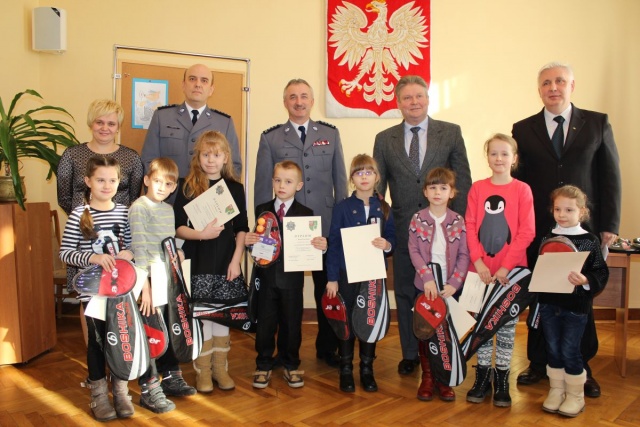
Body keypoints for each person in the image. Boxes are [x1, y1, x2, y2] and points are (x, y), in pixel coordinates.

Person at [512, 62, 621, 397]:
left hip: (583, 230)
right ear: (539, 89)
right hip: (540, 230)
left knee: (580, 296)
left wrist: (609, 225)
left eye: (560, 81)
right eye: (546, 82)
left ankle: (581, 367)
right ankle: (538, 362)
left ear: (572, 85)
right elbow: (517, 185)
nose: (553, 87)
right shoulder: (523, 129)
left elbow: (610, 176)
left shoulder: (597, 123)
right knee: (540, 295)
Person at [373, 75, 472, 375]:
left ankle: (445, 350)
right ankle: (410, 354)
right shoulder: (384, 139)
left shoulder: (451, 133)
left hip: (444, 233)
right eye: (407, 97)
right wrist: (377, 229)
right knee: (406, 293)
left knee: (444, 292)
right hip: (406, 232)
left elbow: (463, 181)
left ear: (428, 100)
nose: (413, 102)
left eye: (419, 96)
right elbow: (378, 190)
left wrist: (458, 228)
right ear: (398, 103)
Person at [254, 78, 348, 367]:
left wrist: (341, 225)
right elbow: (262, 187)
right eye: (293, 96)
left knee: (327, 289)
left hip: (323, 226)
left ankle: (327, 347)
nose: (299, 101)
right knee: (281, 292)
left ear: (312, 101)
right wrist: (262, 229)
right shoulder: (271, 138)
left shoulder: (330, 134)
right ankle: (279, 351)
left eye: (304, 96)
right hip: (284, 230)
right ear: (285, 102)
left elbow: (340, 181)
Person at [59, 156, 136, 421]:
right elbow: (65, 253)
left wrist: (130, 252)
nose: (106, 185)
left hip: (121, 291)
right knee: (97, 341)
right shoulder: (78, 215)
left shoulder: (125, 212)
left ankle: (121, 390)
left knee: (121, 339)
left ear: (119, 182)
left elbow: (134, 245)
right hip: (92, 292)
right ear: (88, 181)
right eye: (100, 180)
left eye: (112, 180)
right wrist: (93, 257)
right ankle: (99, 394)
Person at [173, 130, 249, 393]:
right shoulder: (187, 186)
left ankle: (220, 369)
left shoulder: (235, 189)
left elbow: (242, 228)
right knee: (204, 316)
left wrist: (236, 260)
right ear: (198, 157)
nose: (211, 160)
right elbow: (178, 227)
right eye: (205, 154)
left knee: (222, 316)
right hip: (198, 260)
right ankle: (203, 372)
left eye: (216, 155)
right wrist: (201, 234)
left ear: (225, 157)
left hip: (226, 261)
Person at [464, 133, 535, 407]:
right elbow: (471, 226)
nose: (499, 158)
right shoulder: (477, 188)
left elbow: (527, 232)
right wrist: (478, 261)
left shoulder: (522, 190)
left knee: (505, 327)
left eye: (505, 153)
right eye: (493, 153)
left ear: (514, 158)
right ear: (487, 157)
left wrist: (506, 267)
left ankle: (502, 378)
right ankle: (482, 376)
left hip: (511, 274)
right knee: (482, 325)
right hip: (479, 272)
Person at [245, 161, 327, 389]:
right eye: (278, 180)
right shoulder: (262, 209)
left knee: (291, 324)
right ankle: (263, 364)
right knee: (265, 323)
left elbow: (311, 247)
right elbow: (258, 240)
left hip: (292, 281)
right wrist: (250, 242)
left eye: (288, 181)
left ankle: (291, 363)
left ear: (298, 185)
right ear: (272, 182)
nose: (282, 185)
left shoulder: (306, 214)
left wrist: (321, 246)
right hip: (266, 278)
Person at [325, 154, 396, 393]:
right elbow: (334, 244)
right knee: (346, 320)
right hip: (347, 275)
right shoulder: (342, 208)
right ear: (352, 178)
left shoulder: (384, 208)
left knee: (369, 320)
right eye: (358, 173)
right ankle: (346, 369)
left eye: (369, 172)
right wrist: (332, 278)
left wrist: (387, 245)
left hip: (373, 276)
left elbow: (393, 238)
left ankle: (367, 369)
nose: (364, 177)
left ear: (377, 177)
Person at [539, 185, 609, 417]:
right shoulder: (548, 236)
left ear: (582, 211)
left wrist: (586, 280)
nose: (562, 214)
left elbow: (600, 271)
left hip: (576, 307)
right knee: (552, 348)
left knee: (570, 349)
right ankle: (556, 390)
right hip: (549, 304)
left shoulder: (589, 240)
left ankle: (575, 395)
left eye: (569, 210)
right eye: (557, 209)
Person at [408, 167, 470, 402]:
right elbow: (414, 250)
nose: (437, 192)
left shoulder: (458, 221)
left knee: (446, 333)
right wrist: (427, 279)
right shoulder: (417, 219)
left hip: (448, 288)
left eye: (443, 188)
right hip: (425, 287)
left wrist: (454, 283)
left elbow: (464, 254)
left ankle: (444, 378)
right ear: (425, 191)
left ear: (451, 193)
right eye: (432, 187)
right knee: (425, 332)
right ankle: (427, 377)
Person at [141, 63, 242, 203]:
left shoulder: (224, 123)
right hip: (169, 202)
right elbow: (149, 161)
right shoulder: (162, 117)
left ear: (211, 89)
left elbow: (234, 167)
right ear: (183, 85)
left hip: (208, 205)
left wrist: (218, 201)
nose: (198, 84)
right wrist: (157, 197)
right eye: (192, 79)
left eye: (204, 80)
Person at [129, 157, 184, 412]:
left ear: (174, 187)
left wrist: (177, 252)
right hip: (147, 281)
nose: (162, 187)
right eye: (158, 181)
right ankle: (149, 388)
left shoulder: (168, 210)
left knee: (168, 328)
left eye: (168, 184)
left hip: (165, 278)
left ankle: (171, 377)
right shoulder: (139, 208)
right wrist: (145, 287)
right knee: (150, 334)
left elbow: (167, 243)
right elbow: (140, 250)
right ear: (146, 180)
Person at [58, 99, 144, 216]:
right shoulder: (71, 155)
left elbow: (134, 198)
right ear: (91, 124)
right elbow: (64, 199)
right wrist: (82, 218)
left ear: (118, 127)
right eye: (99, 122)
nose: (104, 128)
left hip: (119, 223)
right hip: (83, 222)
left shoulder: (132, 158)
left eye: (111, 124)